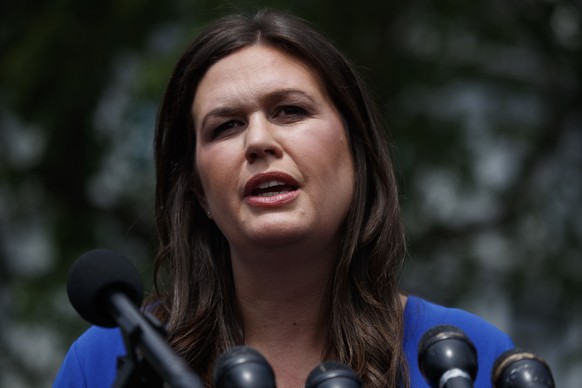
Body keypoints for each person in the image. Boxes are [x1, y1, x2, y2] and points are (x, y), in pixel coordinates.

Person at [54, 8, 514, 387]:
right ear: (197, 190)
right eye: (226, 126)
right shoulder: (106, 359)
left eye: (290, 111)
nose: (258, 141)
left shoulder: (467, 358)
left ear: (356, 152)